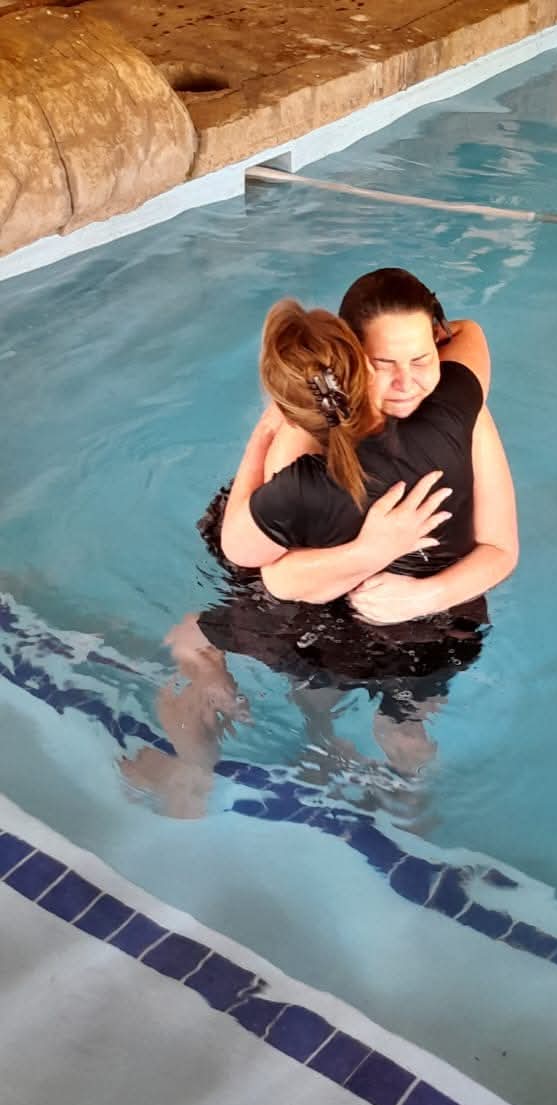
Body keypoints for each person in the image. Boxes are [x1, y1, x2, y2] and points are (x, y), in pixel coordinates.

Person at [121, 271, 517, 815]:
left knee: (197, 639)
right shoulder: (460, 403)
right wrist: (408, 583)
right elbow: (470, 335)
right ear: (353, 358)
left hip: (332, 615)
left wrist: (405, 583)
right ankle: (409, 808)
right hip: (431, 632)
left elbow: (268, 568)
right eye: (385, 364)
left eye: (420, 360)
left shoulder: (304, 448)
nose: (405, 382)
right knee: (403, 727)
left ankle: (217, 755)